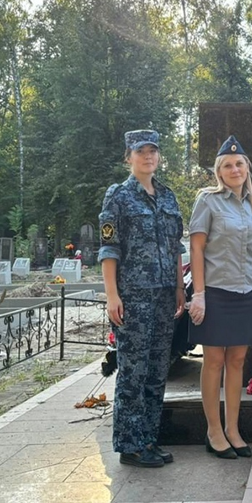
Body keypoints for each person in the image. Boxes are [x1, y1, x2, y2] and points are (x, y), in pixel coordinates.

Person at [98, 129, 186, 468]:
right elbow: (109, 249)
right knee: (132, 372)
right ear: (128, 157)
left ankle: (149, 439)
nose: (148, 156)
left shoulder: (168, 197)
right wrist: (112, 295)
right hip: (132, 297)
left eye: (153, 151)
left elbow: (176, 248)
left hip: (165, 295)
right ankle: (130, 445)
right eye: (141, 151)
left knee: (156, 371)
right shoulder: (118, 197)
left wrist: (180, 287)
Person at [187, 135, 252, 460]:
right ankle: (213, 430)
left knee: (237, 361)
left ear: (247, 167)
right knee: (214, 361)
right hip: (216, 293)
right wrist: (199, 294)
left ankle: (233, 429)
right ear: (219, 172)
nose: (234, 169)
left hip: (246, 293)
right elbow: (197, 247)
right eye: (227, 165)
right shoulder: (208, 201)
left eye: (239, 164)